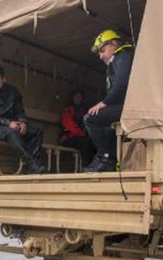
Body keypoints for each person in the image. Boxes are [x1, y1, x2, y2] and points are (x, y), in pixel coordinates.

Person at [0, 65, 46, 174]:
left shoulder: (13, 91)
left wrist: (23, 122)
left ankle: (33, 165)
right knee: (12, 132)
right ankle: (32, 164)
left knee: (37, 131)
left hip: (12, 125)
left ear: (4, 79)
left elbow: (19, 110)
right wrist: (7, 123)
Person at [83, 29, 134, 172]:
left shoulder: (122, 56)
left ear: (114, 44)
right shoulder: (118, 60)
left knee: (91, 118)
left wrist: (105, 102)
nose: (101, 56)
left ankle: (106, 158)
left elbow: (122, 84)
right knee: (105, 124)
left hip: (128, 106)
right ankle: (108, 159)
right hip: (124, 105)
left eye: (103, 51)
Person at [60, 90, 96, 167]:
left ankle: (94, 166)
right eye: (76, 96)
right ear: (72, 98)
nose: (78, 98)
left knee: (94, 143)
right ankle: (85, 167)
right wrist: (82, 134)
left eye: (80, 97)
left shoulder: (84, 111)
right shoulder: (68, 110)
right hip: (68, 138)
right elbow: (70, 126)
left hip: (80, 137)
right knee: (86, 143)